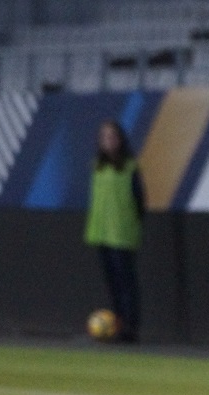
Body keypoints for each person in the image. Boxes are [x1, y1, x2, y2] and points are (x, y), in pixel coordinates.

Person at [84, 121, 145, 343]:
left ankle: (130, 327)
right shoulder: (97, 167)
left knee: (126, 283)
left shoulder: (129, 167)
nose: (108, 141)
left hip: (121, 233)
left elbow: (140, 201)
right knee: (112, 283)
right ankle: (116, 324)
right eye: (104, 137)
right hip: (102, 233)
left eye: (112, 137)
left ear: (120, 140)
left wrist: (132, 223)